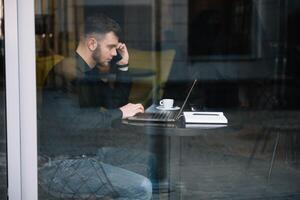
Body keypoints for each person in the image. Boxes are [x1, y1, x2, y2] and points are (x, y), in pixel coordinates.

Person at [39, 13, 152, 200]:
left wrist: (123, 66)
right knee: (141, 187)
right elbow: (73, 122)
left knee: (150, 161)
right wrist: (120, 112)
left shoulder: (88, 73)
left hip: (88, 154)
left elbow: (115, 105)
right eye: (111, 47)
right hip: (62, 165)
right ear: (92, 43)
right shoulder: (63, 73)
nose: (115, 53)